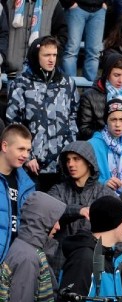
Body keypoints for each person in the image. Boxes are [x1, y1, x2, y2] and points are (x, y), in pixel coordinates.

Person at [6, 37, 78, 190]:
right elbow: (14, 122)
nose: (51, 59)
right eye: (46, 55)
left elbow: (72, 117)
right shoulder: (22, 83)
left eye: (54, 55)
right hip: (31, 165)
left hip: (61, 165)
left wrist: (69, 152)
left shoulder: (67, 83)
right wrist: (27, 157)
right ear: (36, 56)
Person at [0, 192, 65, 302]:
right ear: (42, 221)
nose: (58, 226)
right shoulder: (27, 258)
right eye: (54, 220)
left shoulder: (27, 250)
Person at [47, 141, 113, 269]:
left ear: (89, 161)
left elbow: (117, 231)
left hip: (90, 265)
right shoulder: (58, 190)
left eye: (76, 159)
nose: (71, 164)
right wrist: (79, 210)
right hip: (59, 263)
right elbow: (49, 211)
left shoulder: (105, 193)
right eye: (68, 160)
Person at [88, 99, 122, 194]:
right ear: (106, 121)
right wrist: (102, 183)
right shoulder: (90, 146)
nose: (118, 125)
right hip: (98, 198)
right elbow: (82, 178)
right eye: (113, 119)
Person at [0, 124, 37, 265]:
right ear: (5, 146)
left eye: (28, 150)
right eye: (21, 149)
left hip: (14, 263)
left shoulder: (27, 184)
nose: (25, 155)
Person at [77, 56, 122, 140]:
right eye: (116, 75)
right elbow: (84, 129)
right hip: (98, 145)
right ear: (107, 74)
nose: (121, 80)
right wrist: (108, 134)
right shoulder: (89, 96)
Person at [61, 0, 106, 81]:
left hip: (99, 9)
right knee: (71, 50)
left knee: (94, 53)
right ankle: (69, 89)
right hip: (76, 8)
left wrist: (107, 3)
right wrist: (69, 3)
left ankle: (91, 92)